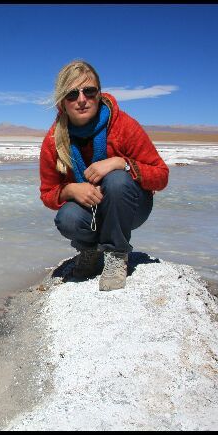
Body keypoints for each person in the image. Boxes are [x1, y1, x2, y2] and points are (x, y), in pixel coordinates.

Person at [39, 60, 169, 291]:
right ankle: (89, 251)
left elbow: (161, 176)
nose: (81, 99)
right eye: (72, 94)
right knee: (66, 217)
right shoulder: (54, 140)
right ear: (62, 101)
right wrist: (70, 190)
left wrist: (122, 163)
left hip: (130, 207)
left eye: (89, 91)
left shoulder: (122, 126)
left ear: (98, 94)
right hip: (90, 211)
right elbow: (48, 193)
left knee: (116, 179)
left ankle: (116, 255)